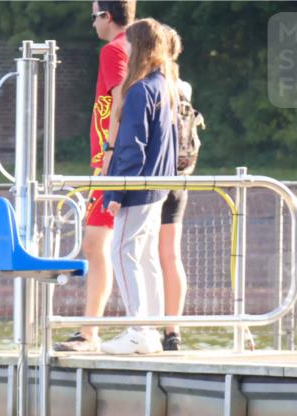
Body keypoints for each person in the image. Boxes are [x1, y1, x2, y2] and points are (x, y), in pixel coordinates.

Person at [54, 1, 134, 353]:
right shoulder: (140, 47)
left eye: (94, 17)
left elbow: (119, 102)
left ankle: (90, 332)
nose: (93, 25)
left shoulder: (113, 51)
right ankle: (146, 328)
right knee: (125, 247)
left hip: (111, 162)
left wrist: (108, 157)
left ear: (108, 16)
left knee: (95, 243)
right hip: (124, 161)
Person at [100, 18, 179, 355]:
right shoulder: (166, 87)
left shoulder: (141, 90)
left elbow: (131, 146)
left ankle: (139, 330)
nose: (126, 50)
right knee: (144, 257)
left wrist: (115, 192)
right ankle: (150, 328)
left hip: (138, 186)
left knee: (122, 251)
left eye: (129, 44)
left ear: (139, 47)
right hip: (158, 186)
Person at [159, 26, 190, 351]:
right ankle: (172, 329)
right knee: (171, 255)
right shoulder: (184, 87)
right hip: (179, 179)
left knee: (138, 254)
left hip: (150, 180)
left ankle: (140, 326)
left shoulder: (149, 86)